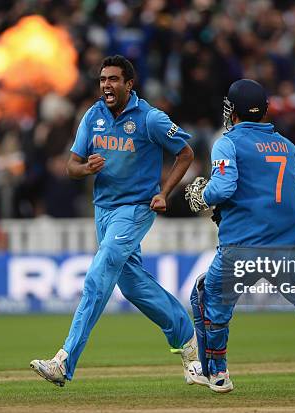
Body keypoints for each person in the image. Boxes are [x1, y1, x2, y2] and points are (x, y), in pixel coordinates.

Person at [30, 55, 206, 387]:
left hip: (137, 208)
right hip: (104, 211)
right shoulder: (92, 116)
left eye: (113, 79)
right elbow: (71, 166)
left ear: (129, 84)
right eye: (102, 80)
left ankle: (64, 361)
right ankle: (187, 339)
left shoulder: (150, 118)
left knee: (99, 272)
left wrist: (165, 192)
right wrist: (87, 169)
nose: (106, 86)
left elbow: (186, 153)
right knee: (132, 284)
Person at [185, 79, 295, 396]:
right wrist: (279, 218)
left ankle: (218, 373)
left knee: (209, 301)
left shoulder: (227, 142)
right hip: (287, 249)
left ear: (232, 111)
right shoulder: (287, 146)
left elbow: (223, 188)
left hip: (239, 249)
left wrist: (206, 195)